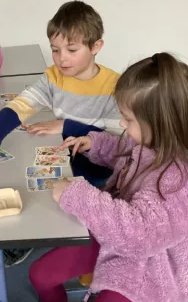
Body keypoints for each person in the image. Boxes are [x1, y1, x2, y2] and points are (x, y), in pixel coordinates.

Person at [0, 1, 121, 265]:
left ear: (96, 47)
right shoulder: (54, 76)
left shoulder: (114, 85)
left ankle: (88, 253)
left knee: (70, 221)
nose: (62, 58)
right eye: (55, 50)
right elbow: (21, 104)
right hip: (63, 159)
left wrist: (66, 126)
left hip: (95, 171)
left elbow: (117, 140)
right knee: (32, 191)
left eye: (72, 50)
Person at [30, 52, 188, 302]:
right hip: (112, 233)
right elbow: (125, 153)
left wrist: (76, 196)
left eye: (128, 119)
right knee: (40, 275)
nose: (123, 124)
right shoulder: (149, 140)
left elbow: (140, 236)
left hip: (147, 273)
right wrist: (95, 144)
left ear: (161, 123)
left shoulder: (177, 179)